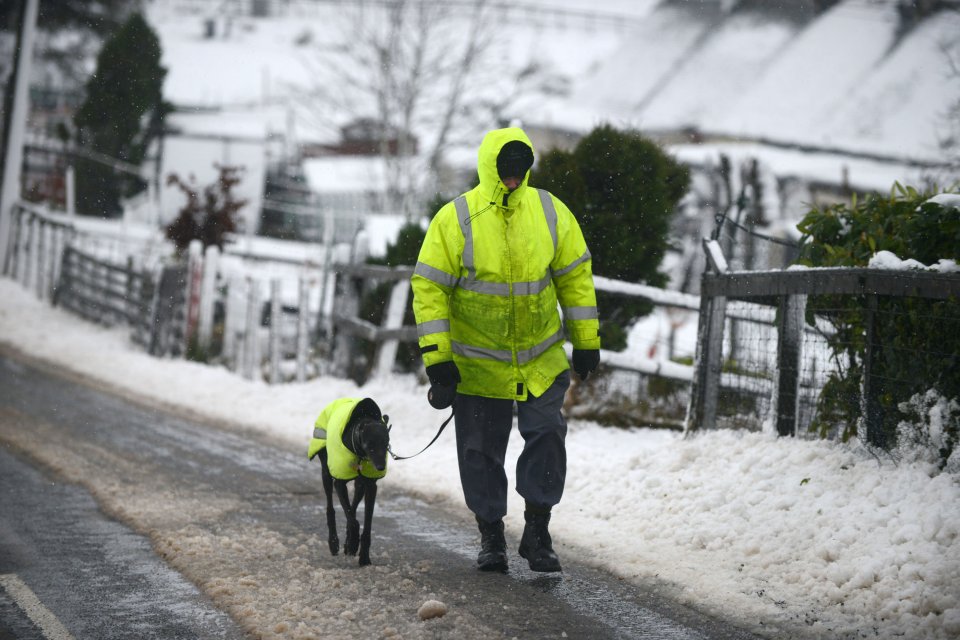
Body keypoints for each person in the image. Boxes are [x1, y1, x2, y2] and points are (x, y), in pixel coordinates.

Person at [411, 127, 600, 573]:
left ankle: (538, 530)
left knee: (548, 437)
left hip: (541, 359)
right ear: (490, 169)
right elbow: (429, 288)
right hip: (477, 368)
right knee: (480, 452)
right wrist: (438, 358)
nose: (514, 179)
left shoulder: (551, 212)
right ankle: (491, 533)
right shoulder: (455, 220)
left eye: (521, 171)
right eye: (506, 171)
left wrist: (587, 341)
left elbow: (575, 277)